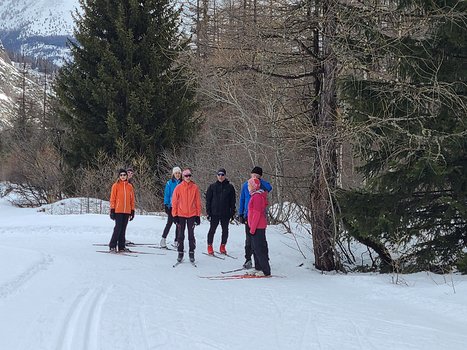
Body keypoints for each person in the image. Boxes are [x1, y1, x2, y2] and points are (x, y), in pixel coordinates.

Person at [238, 166, 272, 268]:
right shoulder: (246, 185)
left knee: (261, 240)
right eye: (253, 174)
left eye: (257, 175)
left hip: (259, 218)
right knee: (249, 240)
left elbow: (269, 187)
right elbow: (242, 199)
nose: (254, 177)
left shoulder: (261, 186)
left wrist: (259, 181)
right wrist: (241, 213)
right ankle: (248, 259)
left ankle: (263, 260)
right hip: (248, 215)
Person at [171, 168, 202, 263]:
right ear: (183, 177)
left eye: (189, 176)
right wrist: (174, 215)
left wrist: (198, 215)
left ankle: (191, 251)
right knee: (180, 234)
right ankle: (180, 252)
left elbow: (197, 202)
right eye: (186, 176)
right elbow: (174, 202)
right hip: (181, 214)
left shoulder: (195, 187)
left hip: (192, 214)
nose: (188, 177)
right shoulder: (179, 187)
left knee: (191, 235)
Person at [205, 168, 236, 255]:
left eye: (222, 175)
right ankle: (209, 245)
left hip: (225, 213)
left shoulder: (230, 187)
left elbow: (233, 201)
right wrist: (208, 212)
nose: (220, 176)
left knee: (225, 230)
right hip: (214, 212)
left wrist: (232, 212)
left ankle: (223, 246)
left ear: (225, 176)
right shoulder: (212, 187)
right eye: (219, 175)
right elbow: (208, 200)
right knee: (212, 230)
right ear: (217, 176)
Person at [246, 177, 271, 276]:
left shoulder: (257, 197)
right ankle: (258, 267)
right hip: (254, 226)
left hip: (258, 227)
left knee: (260, 248)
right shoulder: (254, 195)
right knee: (255, 248)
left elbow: (256, 214)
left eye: (249, 185)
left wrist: (252, 228)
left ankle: (265, 270)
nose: (248, 187)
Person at [109, 168, 135, 253]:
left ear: (127, 176)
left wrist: (132, 210)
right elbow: (112, 198)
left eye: (124, 175)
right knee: (118, 228)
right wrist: (112, 210)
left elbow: (132, 199)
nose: (123, 176)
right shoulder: (115, 185)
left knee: (123, 229)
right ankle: (112, 246)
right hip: (118, 210)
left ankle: (121, 246)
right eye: (121, 175)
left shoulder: (130, 186)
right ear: (119, 176)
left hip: (127, 211)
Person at [160, 167, 182, 248]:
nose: (177, 175)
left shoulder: (182, 183)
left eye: (179, 173)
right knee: (169, 223)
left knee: (178, 224)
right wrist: (166, 204)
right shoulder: (169, 183)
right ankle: (163, 239)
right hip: (172, 206)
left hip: (181, 207)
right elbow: (167, 194)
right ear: (173, 174)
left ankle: (176, 240)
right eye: (176, 173)